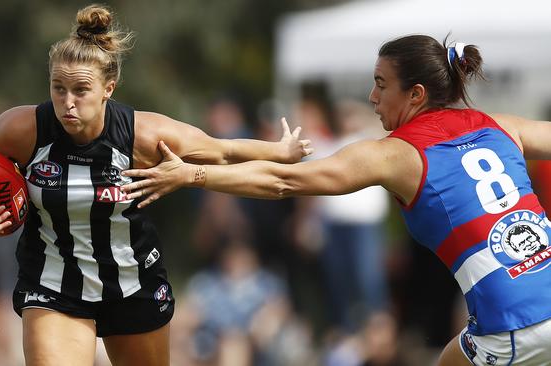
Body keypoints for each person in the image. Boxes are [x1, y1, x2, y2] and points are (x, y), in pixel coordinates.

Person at [121, 34, 551, 365]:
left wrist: (191, 175)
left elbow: (283, 181)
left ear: (416, 95)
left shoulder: (395, 154)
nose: (372, 97)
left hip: (515, 322)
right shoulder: (499, 124)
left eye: (382, 85)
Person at [0, 5, 311, 366]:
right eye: (58, 88)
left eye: (80, 90)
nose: (67, 103)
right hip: (53, 283)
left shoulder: (143, 135)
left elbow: (223, 151)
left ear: (109, 88)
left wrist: (280, 151)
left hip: (132, 283)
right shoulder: (22, 128)